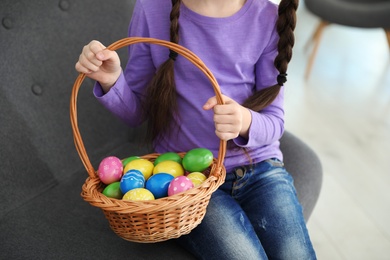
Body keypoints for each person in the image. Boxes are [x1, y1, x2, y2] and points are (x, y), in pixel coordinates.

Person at [75, 0, 317, 259]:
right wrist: (112, 80)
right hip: (187, 179)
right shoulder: (151, 8)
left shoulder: (267, 17)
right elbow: (137, 112)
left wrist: (244, 121)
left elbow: (275, 121)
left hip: (260, 168)